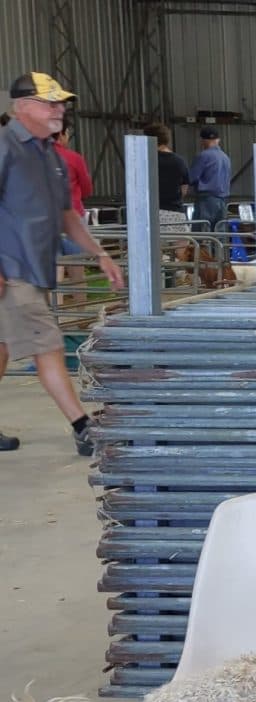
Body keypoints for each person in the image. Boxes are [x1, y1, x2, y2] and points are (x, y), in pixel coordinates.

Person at [0, 72, 124, 455]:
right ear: (22, 108)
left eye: (61, 103)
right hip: (11, 269)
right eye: (50, 103)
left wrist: (99, 254)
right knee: (48, 345)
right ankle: (82, 426)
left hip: (31, 268)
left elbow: (67, 213)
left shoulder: (51, 155)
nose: (60, 110)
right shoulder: (5, 148)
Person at [54, 116, 91, 290]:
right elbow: (87, 189)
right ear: (61, 134)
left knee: (55, 270)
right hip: (73, 216)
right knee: (77, 269)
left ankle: (57, 315)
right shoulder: (74, 158)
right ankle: (81, 312)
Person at [148, 123, 190, 243]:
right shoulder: (179, 161)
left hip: (153, 214)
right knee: (182, 254)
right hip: (176, 213)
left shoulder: (145, 159)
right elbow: (184, 189)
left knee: (155, 255)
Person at [186, 126, 231, 230]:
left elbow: (191, 178)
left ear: (203, 140)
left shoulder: (203, 156)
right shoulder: (225, 157)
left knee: (203, 234)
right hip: (223, 201)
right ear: (218, 140)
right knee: (219, 235)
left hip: (206, 201)